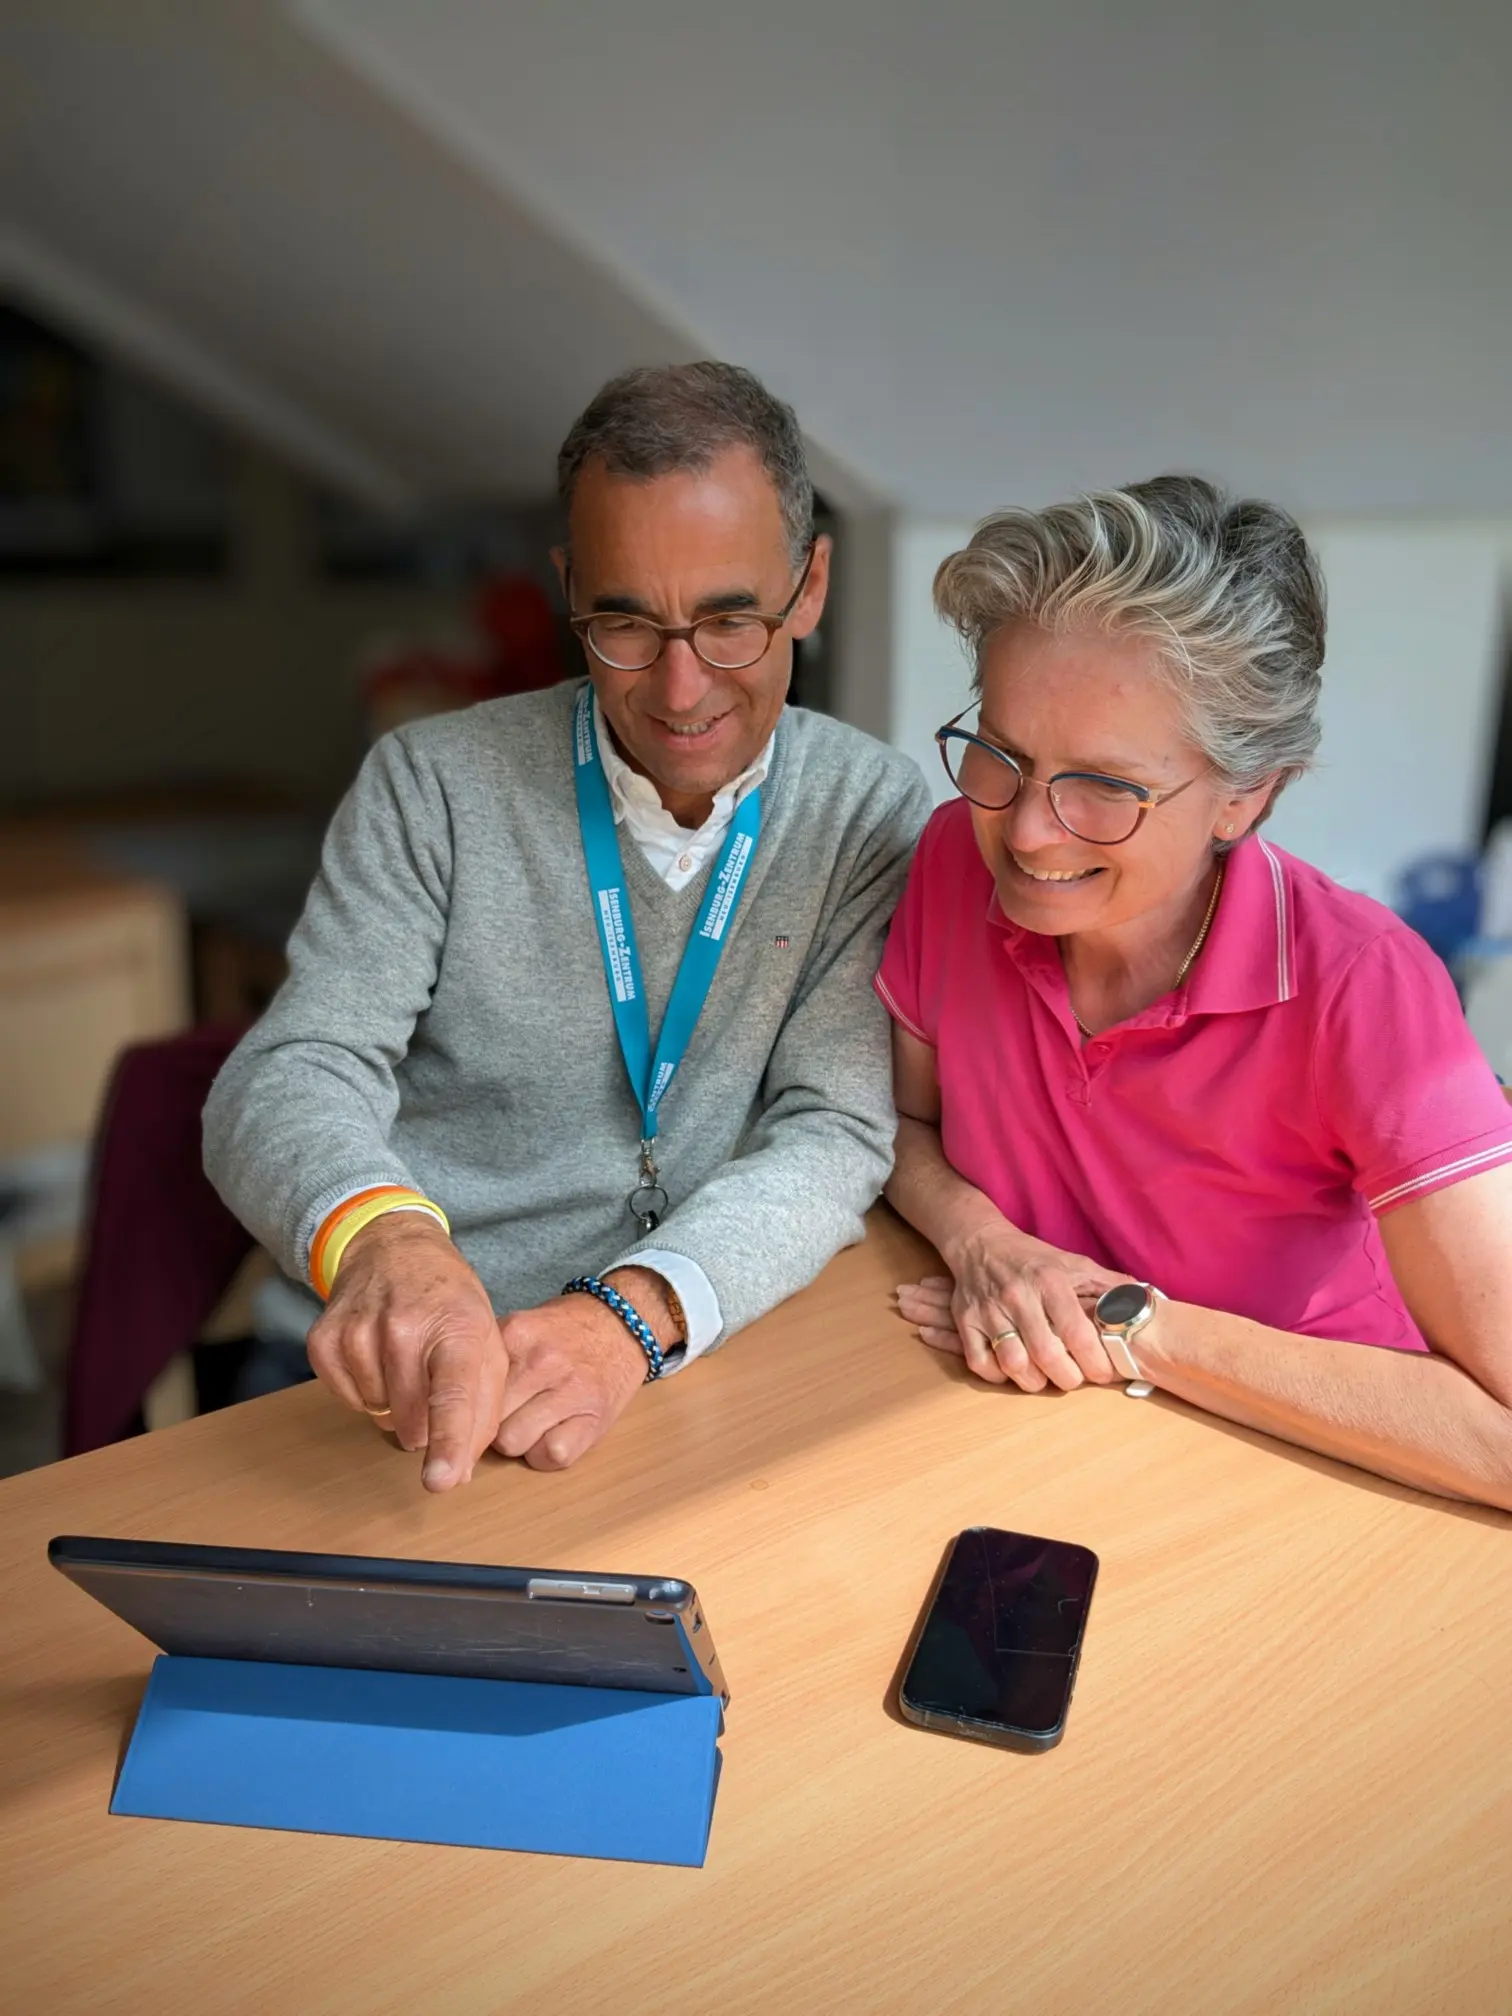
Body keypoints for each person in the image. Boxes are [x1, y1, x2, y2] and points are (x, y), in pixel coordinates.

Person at [204, 362, 930, 1488]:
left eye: (732, 621)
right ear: (567, 589)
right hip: (377, 1372)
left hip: (652, 1363)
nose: (683, 692)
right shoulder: (430, 784)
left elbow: (832, 1133)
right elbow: (292, 1067)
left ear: (813, 584)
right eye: (625, 625)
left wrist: (630, 1316)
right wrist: (390, 1241)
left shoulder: (868, 813)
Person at [880, 476, 1512, 1510]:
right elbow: (902, 1123)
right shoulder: (960, 854)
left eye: (1102, 787)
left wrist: (1131, 1321)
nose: (1030, 832)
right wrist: (985, 1243)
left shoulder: (1365, 988)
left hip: (1313, 1479)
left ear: (1245, 795)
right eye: (1003, 755)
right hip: (1030, 1438)